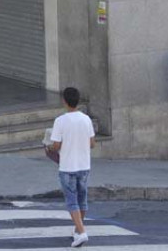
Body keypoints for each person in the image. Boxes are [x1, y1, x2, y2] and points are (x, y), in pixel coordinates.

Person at [49, 87, 96, 248]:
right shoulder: (86, 119)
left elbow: (56, 145)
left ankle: (81, 232)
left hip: (67, 166)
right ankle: (78, 230)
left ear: (64, 101)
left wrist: (50, 148)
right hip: (84, 165)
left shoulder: (60, 121)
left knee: (71, 201)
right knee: (82, 199)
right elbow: (92, 143)